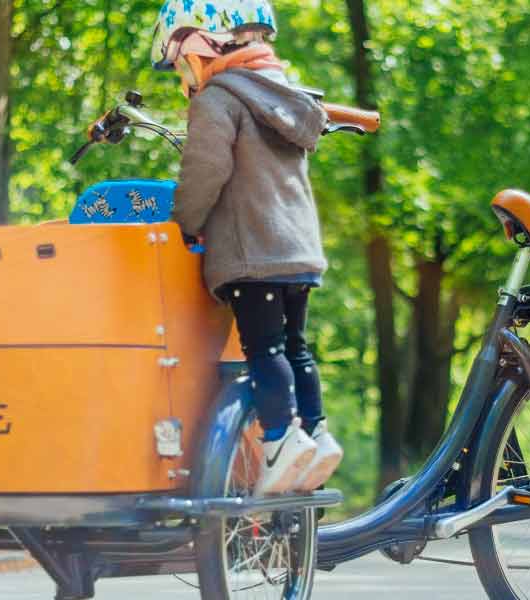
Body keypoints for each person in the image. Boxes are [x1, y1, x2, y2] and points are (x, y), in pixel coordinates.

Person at [154, 0, 341, 496]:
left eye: (180, 64)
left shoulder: (217, 99)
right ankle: (316, 434)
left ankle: (281, 439)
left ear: (202, 50)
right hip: (298, 252)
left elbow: (205, 172)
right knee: (296, 347)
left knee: (264, 349)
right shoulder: (283, 96)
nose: (182, 76)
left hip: (253, 254)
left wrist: (186, 224)